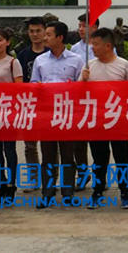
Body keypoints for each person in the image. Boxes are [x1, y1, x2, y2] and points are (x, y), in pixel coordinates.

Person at [31, 21, 84, 209]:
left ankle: (68, 193)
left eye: (48, 34)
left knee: (68, 155)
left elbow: (82, 89)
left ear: (60, 38)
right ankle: (47, 193)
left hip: (67, 115)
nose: (45, 38)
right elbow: (34, 85)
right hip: (46, 115)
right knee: (48, 155)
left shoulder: (76, 60)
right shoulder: (40, 60)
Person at [81, 28, 128, 209]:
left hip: (118, 120)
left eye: (96, 44)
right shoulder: (89, 66)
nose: (93, 48)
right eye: (92, 44)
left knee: (122, 158)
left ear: (108, 45)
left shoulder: (124, 65)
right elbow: (79, 94)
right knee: (99, 158)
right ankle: (97, 191)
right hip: (96, 120)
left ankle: (125, 191)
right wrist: (83, 81)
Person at [0, 28, 23, 203]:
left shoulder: (13, 62)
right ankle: (0, 184)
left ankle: (11, 184)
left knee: (9, 150)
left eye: (0, 39)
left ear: (7, 42)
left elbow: (19, 88)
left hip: (8, 112)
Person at [16, 17, 49, 193]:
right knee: (30, 145)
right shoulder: (23, 55)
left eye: (38, 31)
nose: (35, 34)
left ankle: (51, 179)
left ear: (45, 32)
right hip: (29, 105)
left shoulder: (52, 53)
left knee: (50, 145)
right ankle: (34, 179)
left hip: (50, 106)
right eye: (31, 31)